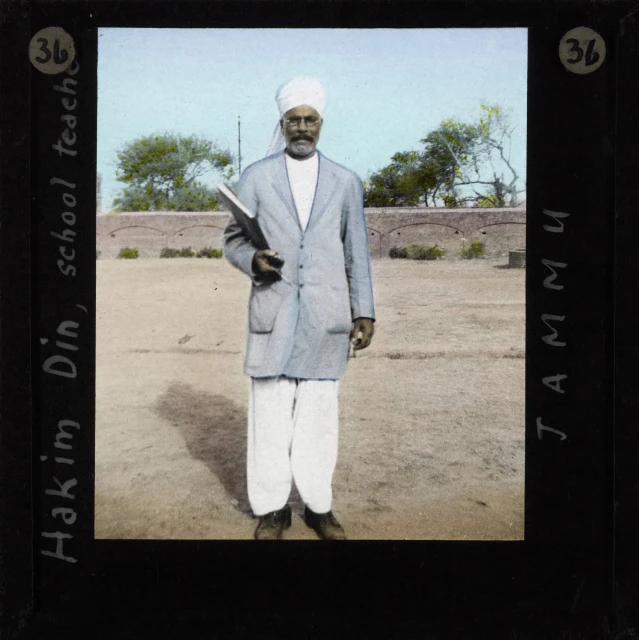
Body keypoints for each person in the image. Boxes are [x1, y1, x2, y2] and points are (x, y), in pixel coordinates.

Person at [223, 77, 375, 540]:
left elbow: (357, 250)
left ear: (321, 123)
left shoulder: (346, 181)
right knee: (268, 412)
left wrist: (363, 311)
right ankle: (272, 510)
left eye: (310, 119)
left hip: (325, 318)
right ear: (283, 123)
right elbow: (232, 238)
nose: (302, 127)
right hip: (273, 310)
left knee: (318, 415)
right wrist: (253, 260)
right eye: (294, 119)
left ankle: (317, 507)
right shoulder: (255, 176)